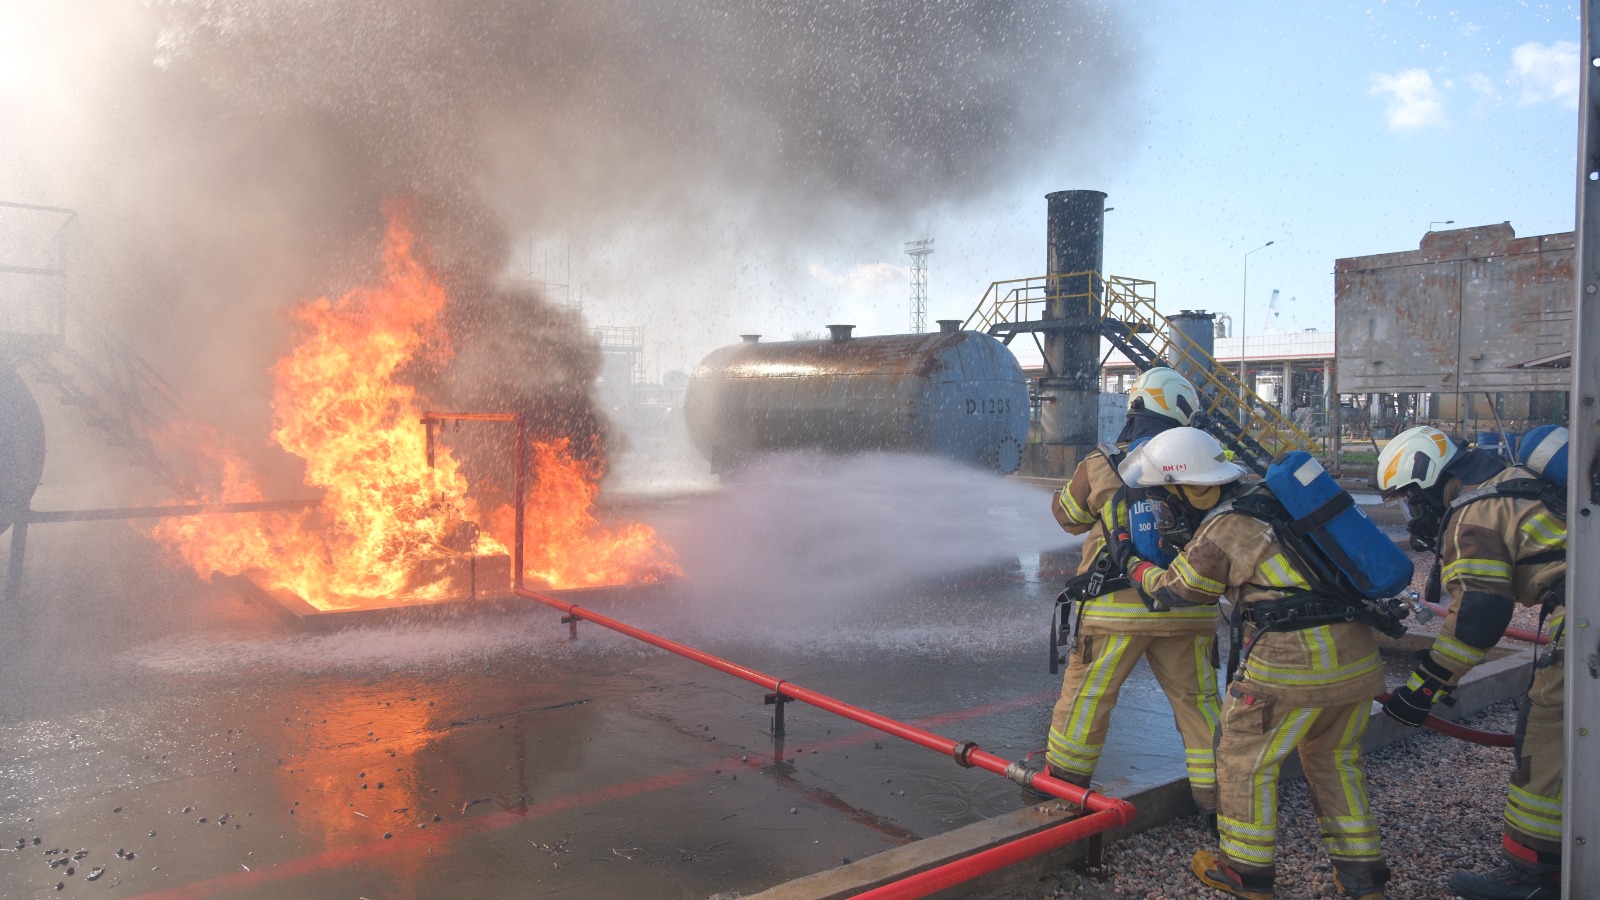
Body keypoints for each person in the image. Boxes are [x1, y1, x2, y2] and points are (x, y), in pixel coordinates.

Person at [1111, 427, 1392, 900]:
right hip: (1356, 656)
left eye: (1168, 496)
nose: (1166, 508)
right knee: (1336, 762)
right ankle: (1363, 878)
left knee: (1243, 762)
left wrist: (1131, 561)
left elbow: (1176, 592)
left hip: (1293, 662)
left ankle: (1245, 873)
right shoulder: (1275, 500)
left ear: (1192, 488)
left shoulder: (1226, 527)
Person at [1375, 425, 1567, 900]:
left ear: (1429, 478)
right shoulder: (1517, 485)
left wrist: (1423, 688)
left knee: (1546, 743)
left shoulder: (1475, 513)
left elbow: (1478, 619)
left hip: (1588, 625)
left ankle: (1535, 877)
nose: (1413, 512)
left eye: (1410, 499)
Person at [1044, 366, 1222, 818]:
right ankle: (1221, 802)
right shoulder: (1208, 460)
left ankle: (1062, 796)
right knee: (1200, 705)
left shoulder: (1105, 460)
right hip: (1189, 603)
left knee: (1087, 700)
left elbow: (1068, 518)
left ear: (1136, 405)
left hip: (1114, 609)